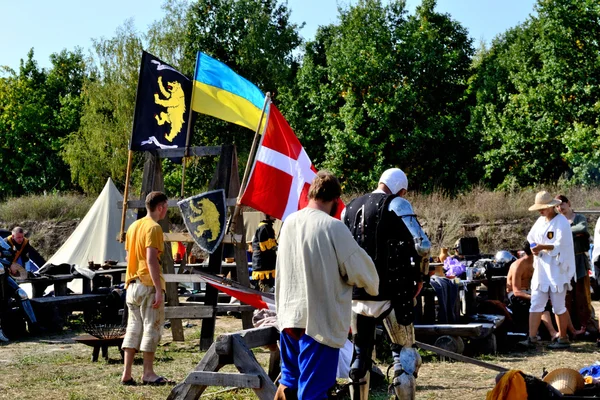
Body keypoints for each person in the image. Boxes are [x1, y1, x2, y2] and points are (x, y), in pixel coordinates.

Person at [275, 171, 379, 400]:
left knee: (289, 387)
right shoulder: (333, 227)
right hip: (318, 323)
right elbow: (363, 273)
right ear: (335, 200)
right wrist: (373, 286)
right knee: (313, 393)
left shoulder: (289, 223)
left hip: (289, 318)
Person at [343, 168, 431, 400]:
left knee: (359, 356)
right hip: (393, 291)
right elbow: (423, 245)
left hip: (356, 294)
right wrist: (420, 277)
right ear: (401, 189)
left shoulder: (349, 207)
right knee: (405, 355)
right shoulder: (398, 204)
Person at [120, 191, 170, 386]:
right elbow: (151, 259)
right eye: (165, 206)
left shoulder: (133, 226)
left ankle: (127, 373)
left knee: (133, 328)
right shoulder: (154, 228)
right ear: (160, 207)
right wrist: (158, 288)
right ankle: (148, 373)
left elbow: (128, 257)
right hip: (147, 284)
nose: (166, 210)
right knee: (152, 327)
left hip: (131, 284)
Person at [520, 191, 576, 350]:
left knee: (558, 306)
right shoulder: (539, 221)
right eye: (539, 208)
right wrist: (533, 249)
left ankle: (563, 338)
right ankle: (532, 338)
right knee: (536, 303)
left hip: (557, 268)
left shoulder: (562, 222)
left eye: (543, 208)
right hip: (541, 268)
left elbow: (560, 244)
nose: (540, 211)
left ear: (551, 207)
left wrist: (542, 247)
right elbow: (531, 238)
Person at [555, 195, 594, 336]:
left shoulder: (579, 218)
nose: (560, 208)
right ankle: (569, 328)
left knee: (581, 295)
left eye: (562, 204)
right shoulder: (557, 220)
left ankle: (585, 326)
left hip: (578, 262)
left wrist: (564, 233)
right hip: (563, 262)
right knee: (566, 296)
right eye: (557, 206)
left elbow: (582, 228)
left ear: (568, 203)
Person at [506, 241, 559, 339]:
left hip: (530, 292)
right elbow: (516, 291)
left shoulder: (536, 263)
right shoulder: (518, 265)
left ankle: (556, 332)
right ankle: (552, 333)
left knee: (550, 303)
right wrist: (533, 297)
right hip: (516, 294)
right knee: (539, 304)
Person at [0, 236, 38, 337]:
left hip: (3, 276)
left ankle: (34, 327)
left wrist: (3, 255)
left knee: (22, 294)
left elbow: (10, 252)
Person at [251, 214, 277, 292]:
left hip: (267, 261)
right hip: (263, 262)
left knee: (267, 284)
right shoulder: (264, 227)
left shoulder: (267, 226)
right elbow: (266, 245)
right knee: (263, 285)